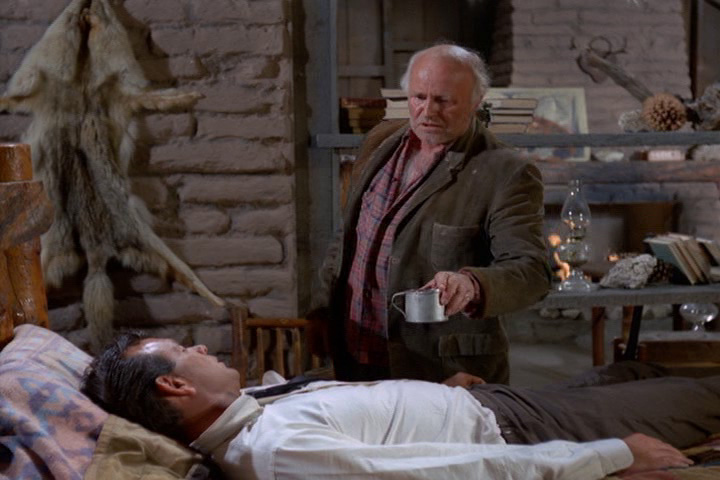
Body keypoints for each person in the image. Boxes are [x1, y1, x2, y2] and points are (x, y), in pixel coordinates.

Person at [83, 333, 720, 480]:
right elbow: (447, 472)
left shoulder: (248, 408)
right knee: (704, 397)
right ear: (174, 388)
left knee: (638, 369)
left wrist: (438, 395)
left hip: (487, 402)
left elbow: (348, 408)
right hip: (519, 429)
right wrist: (610, 456)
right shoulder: (276, 451)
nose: (199, 346)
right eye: (183, 351)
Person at [311, 43, 551, 384]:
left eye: (444, 101)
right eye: (419, 97)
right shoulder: (381, 140)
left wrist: (471, 284)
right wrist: (323, 309)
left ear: (476, 102)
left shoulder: (506, 171)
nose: (428, 111)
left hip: (442, 371)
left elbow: (532, 272)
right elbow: (350, 234)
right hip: (356, 354)